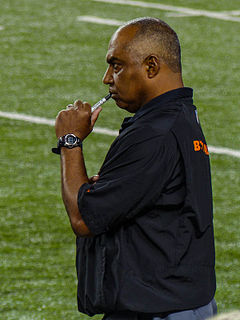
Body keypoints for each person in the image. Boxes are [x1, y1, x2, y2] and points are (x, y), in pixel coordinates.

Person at [53, 17, 217, 320]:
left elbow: (83, 218)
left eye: (116, 65)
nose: (107, 78)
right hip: (180, 302)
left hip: (156, 309)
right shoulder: (179, 116)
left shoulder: (154, 133)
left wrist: (70, 140)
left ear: (151, 67)